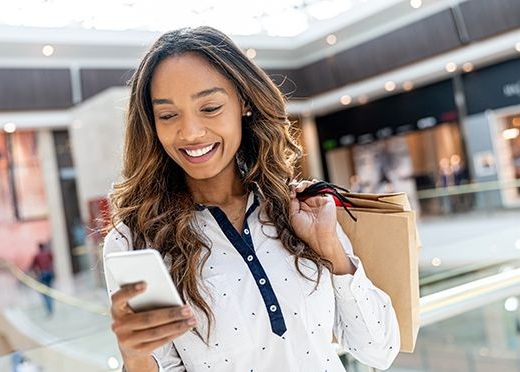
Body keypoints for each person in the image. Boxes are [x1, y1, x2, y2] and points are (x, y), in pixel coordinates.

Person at [103, 26, 399, 372]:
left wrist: (333, 252)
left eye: (210, 107)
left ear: (244, 102)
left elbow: (380, 350)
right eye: (168, 115)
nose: (190, 132)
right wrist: (136, 358)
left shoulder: (297, 208)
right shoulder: (133, 241)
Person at [30, 242, 55, 316]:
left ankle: (49, 308)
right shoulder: (47, 253)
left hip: (43, 274)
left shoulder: (37, 256)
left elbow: (33, 267)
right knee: (49, 290)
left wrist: (36, 274)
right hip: (49, 273)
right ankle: (51, 306)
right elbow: (52, 261)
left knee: (44, 292)